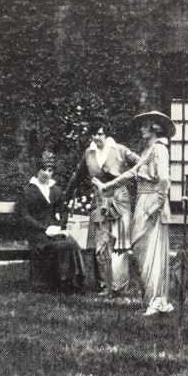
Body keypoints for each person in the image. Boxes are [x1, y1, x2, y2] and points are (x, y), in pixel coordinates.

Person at [96, 111, 174, 316]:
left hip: (151, 202)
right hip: (142, 199)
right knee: (140, 249)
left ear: (154, 128)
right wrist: (107, 186)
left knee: (151, 251)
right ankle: (151, 298)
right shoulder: (148, 149)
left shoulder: (160, 149)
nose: (141, 129)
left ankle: (157, 301)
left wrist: (156, 204)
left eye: (144, 126)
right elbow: (131, 173)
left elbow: (165, 179)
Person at [65, 121, 140, 297]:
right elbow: (78, 175)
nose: (97, 137)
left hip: (119, 200)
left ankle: (119, 287)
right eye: (94, 134)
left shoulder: (119, 149)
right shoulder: (89, 154)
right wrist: (65, 196)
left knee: (120, 243)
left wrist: (130, 179)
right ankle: (105, 285)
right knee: (101, 244)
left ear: (106, 135)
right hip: (99, 201)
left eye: (101, 134)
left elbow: (141, 163)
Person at [16, 151, 87, 293]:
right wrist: (44, 228)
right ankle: (56, 282)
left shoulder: (56, 190)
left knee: (71, 243)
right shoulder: (27, 190)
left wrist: (60, 226)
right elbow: (24, 215)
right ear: (37, 170)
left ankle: (72, 282)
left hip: (54, 229)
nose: (47, 174)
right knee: (57, 245)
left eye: (50, 170)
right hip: (37, 231)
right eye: (44, 169)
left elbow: (64, 211)